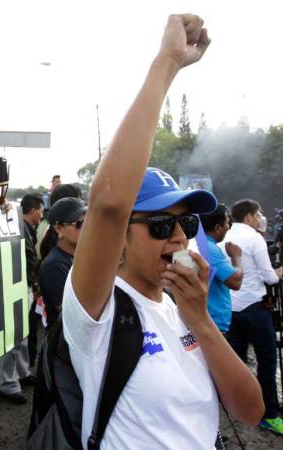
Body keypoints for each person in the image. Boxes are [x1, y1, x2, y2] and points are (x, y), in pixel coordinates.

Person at [65, 14, 263, 449]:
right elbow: (110, 201)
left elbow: (250, 412)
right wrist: (167, 63)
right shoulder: (97, 309)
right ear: (120, 236)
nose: (178, 237)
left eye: (187, 223)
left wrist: (201, 320)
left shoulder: (182, 312)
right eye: (159, 224)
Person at [223, 198, 283, 434]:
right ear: (249, 216)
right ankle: (268, 414)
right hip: (255, 309)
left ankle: (239, 406)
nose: (260, 218)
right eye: (258, 214)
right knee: (267, 360)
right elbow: (270, 277)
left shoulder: (225, 236)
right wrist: (280, 270)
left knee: (238, 360)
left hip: (233, 309)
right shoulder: (254, 237)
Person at [0, 193, 43, 404]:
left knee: (23, 335)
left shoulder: (25, 227)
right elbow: (30, 259)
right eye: (41, 211)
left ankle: (22, 372)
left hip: (24, 286)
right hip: (15, 286)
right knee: (14, 337)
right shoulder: (14, 224)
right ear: (33, 211)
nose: (43, 215)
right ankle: (9, 384)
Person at [38, 197, 87, 329]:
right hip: (65, 345)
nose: (88, 227)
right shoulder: (54, 267)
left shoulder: (80, 256)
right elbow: (76, 316)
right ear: (59, 229)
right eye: (80, 223)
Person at [199, 204, 243, 333]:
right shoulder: (208, 248)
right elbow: (235, 282)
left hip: (208, 320)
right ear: (218, 228)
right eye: (227, 223)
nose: (228, 227)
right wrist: (236, 257)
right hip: (213, 323)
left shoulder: (199, 243)